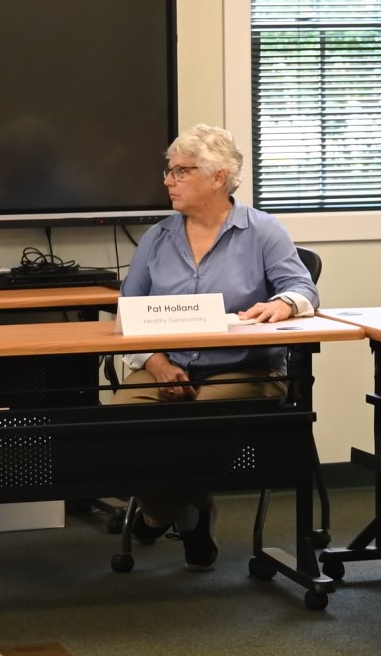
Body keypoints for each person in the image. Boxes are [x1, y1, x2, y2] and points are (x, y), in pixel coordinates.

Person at [111, 124, 318, 569]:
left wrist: (284, 304)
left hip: (245, 369)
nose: (168, 181)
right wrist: (158, 364)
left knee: (204, 421)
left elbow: (302, 288)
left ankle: (160, 513)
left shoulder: (262, 231)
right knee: (119, 418)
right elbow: (129, 308)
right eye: (168, 171)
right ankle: (186, 509)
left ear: (218, 177)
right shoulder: (158, 237)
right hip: (168, 364)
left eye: (181, 171)